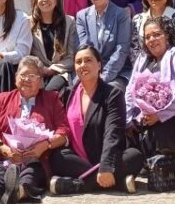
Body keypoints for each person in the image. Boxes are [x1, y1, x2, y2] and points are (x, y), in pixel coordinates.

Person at [0, 56, 71, 204]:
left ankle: (17, 192)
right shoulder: (2, 99)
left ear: (40, 81)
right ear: (15, 78)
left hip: (36, 158)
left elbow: (64, 131)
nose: (27, 79)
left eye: (32, 76)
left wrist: (45, 145)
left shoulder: (52, 98)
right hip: (8, 156)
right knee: (1, 171)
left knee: (30, 174)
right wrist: (6, 150)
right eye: (23, 75)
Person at [49, 45, 143, 195]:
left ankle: (76, 185)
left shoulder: (112, 94)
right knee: (57, 157)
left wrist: (106, 166)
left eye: (88, 60)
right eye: (78, 62)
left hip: (107, 157)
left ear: (99, 65)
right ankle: (118, 182)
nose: (83, 65)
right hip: (79, 162)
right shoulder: (67, 94)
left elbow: (113, 132)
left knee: (134, 156)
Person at [126, 16, 175, 160]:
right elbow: (130, 90)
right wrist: (129, 117)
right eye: (148, 37)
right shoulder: (142, 59)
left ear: (167, 35)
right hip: (145, 116)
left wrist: (160, 115)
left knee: (161, 131)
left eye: (156, 34)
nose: (151, 40)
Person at [75, 0, 132, 88]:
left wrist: (104, 76)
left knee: (110, 93)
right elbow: (84, 48)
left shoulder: (121, 15)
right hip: (89, 70)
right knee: (73, 91)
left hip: (116, 72)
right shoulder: (82, 16)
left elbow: (121, 50)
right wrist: (91, 74)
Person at [30, 0, 76, 92]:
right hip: (37, 72)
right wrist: (40, 69)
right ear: (36, 1)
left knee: (48, 92)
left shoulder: (69, 22)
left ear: (56, 0)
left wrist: (51, 69)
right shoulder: (29, 23)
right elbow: (27, 53)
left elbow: (72, 56)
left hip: (60, 71)